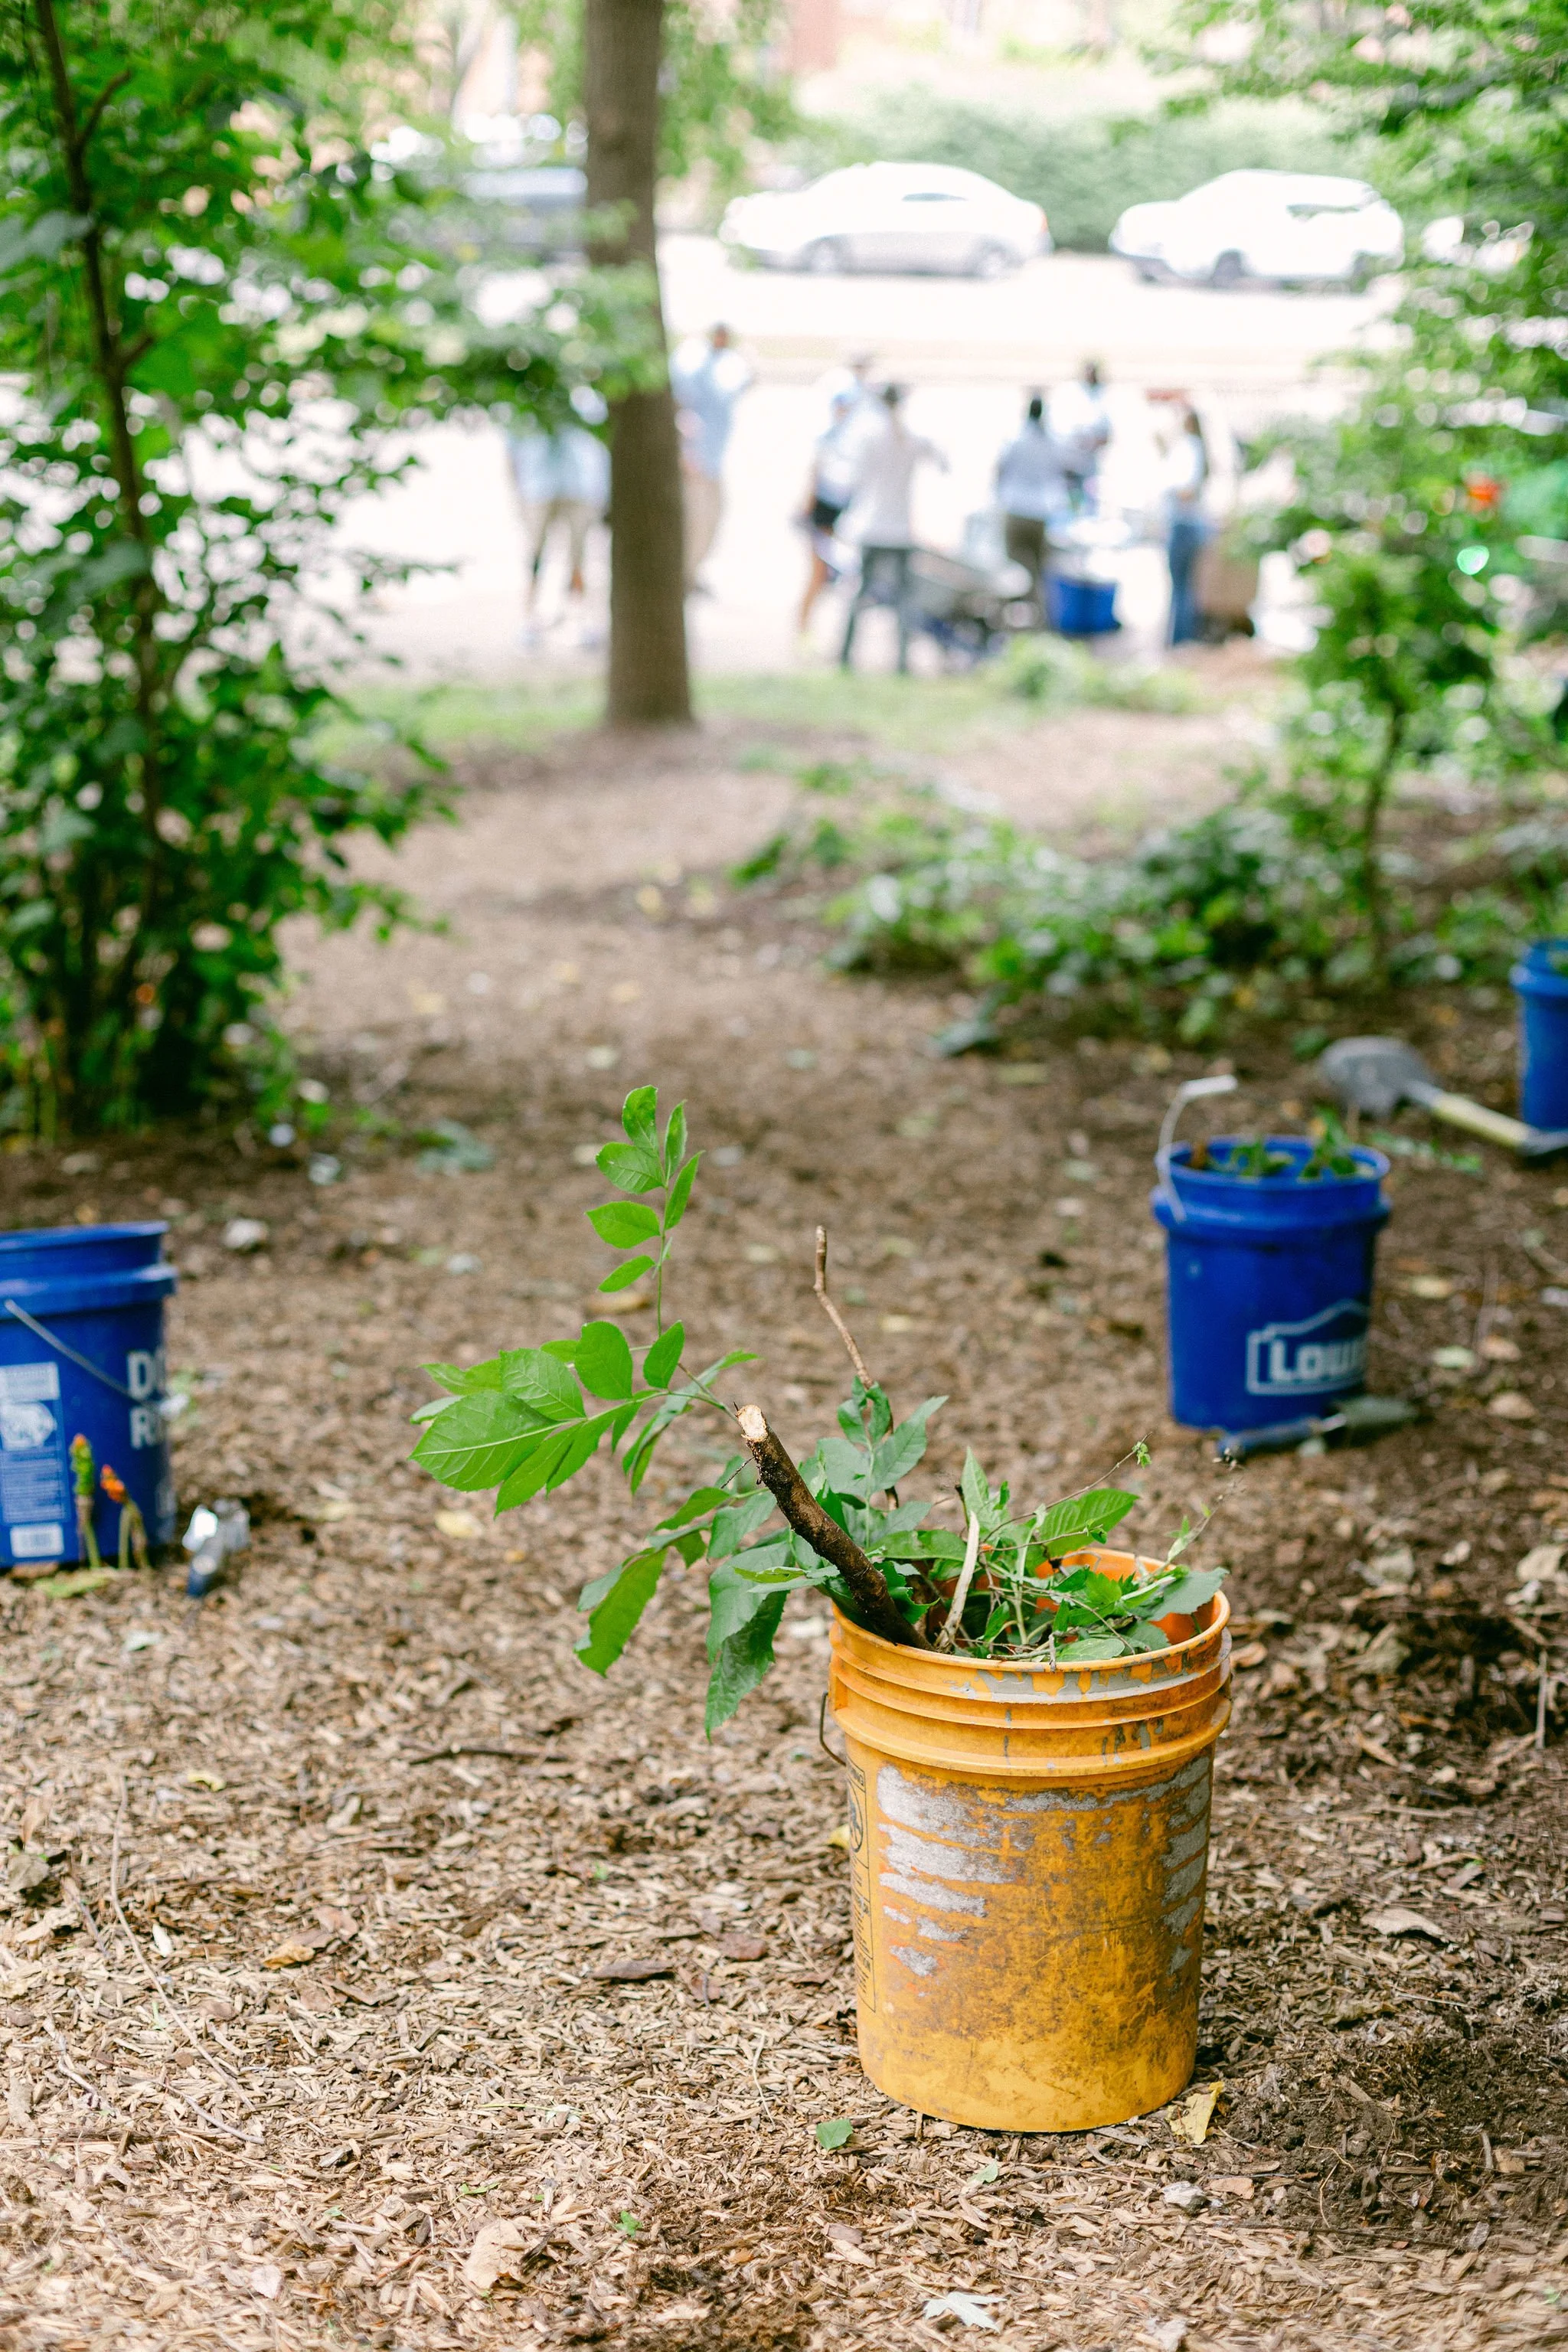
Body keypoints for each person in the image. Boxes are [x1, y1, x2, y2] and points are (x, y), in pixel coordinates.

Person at [839, 384, 947, 673]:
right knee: (903, 599)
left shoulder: (868, 435)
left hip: (871, 527)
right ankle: (901, 661)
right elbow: (942, 459)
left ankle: (845, 656)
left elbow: (849, 478)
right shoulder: (910, 436)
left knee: (860, 593)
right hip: (899, 531)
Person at [505, 421, 609, 643]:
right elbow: (511, 447)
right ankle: (530, 618)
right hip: (538, 488)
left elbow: (600, 443)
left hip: (579, 487)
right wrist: (517, 493)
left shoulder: (586, 397)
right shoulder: (525, 399)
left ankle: (580, 618)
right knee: (535, 555)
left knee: (579, 557)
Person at [669, 323, 754, 593]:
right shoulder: (690, 361)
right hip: (695, 464)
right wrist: (686, 455)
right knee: (695, 522)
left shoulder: (727, 364)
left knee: (711, 523)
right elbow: (679, 409)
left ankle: (692, 573)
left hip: (712, 463)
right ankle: (682, 576)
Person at [797, 387, 863, 635]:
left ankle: (822, 635)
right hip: (823, 513)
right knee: (818, 576)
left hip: (844, 515)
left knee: (836, 580)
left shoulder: (856, 440)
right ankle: (803, 632)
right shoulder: (827, 438)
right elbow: (813, 477)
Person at [994, 393, 1067, 603]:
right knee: (1038, 569)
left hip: (1016, 510)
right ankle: (1034, 613)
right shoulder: (1050, 442)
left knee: (1013, 569)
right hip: (1039, 512)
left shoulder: (1015, 439)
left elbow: (1000, 470)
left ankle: (1015, 612)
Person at [1163, 404, 1211, 645]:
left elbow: (1186, 490)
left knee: (1181, 587)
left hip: (1184, 524)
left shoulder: (1190, 449)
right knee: (1183, 586)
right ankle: (1180, 639)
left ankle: (1180, 640)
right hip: (1189, 523)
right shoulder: (1195, 448)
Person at [1050, 358, 1112, 512]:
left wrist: (1090, 443)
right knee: (1066, 507)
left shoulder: (1102, 398)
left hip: (1089, 466)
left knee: (1089, 507)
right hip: (1068, 462)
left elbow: (1107, 435)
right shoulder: (1072, 394)